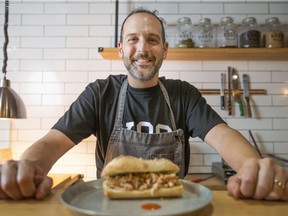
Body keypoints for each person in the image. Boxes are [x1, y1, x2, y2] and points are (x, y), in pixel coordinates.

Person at [0, 8, 287, 201]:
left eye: (152, 40)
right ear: (121, 48)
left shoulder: (183, 95)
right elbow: (53, 141)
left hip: (175, 207)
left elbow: (222, 135)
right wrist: (27, 167)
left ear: (164, 50)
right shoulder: (100, 93)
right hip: (110, 206)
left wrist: (253, 167)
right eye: (133, 39)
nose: (142, 48)